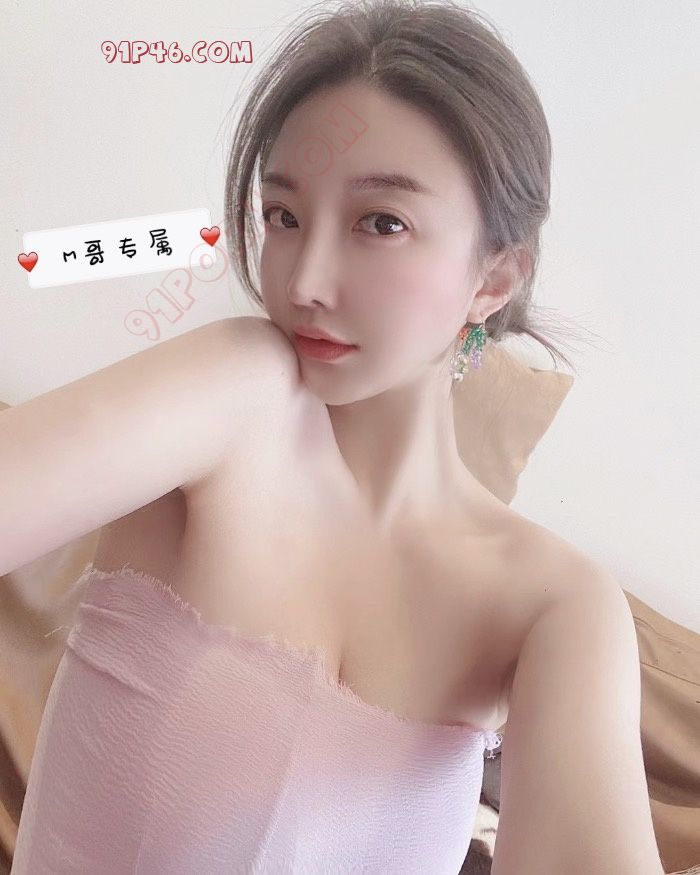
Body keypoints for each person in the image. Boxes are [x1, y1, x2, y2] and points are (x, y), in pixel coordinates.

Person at [5, 0, 664, 872]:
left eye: (381, 222)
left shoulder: (554, 603)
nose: (304, 281)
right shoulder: (237, 394)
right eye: (283, 215)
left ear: (496, 277)